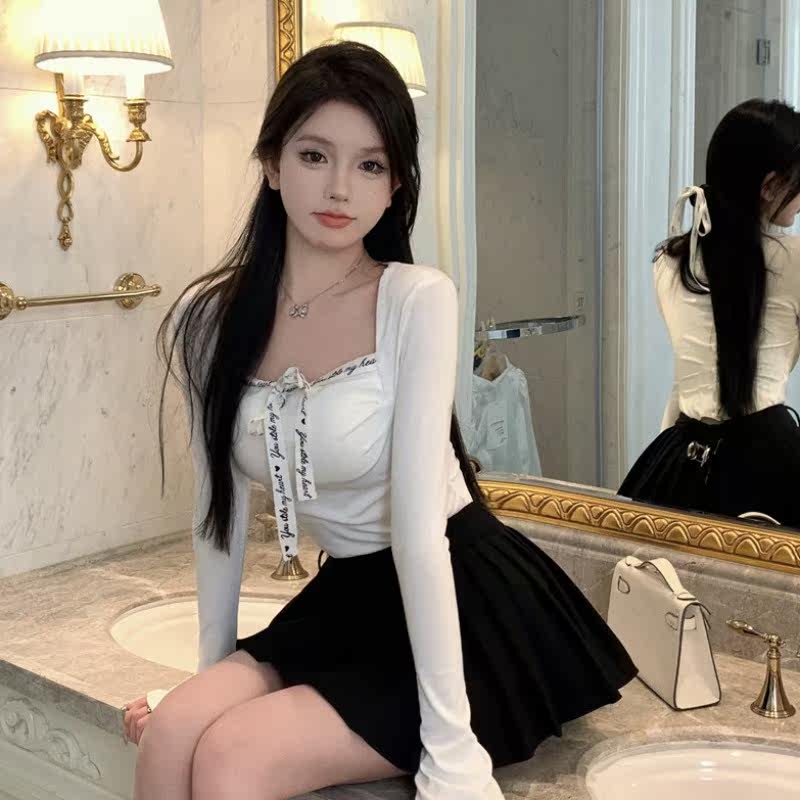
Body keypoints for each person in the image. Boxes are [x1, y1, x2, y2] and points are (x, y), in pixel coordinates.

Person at [123, 41, 637, 800]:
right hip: (348, 598)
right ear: (271, 163)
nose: (340, 187)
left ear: (396, 184)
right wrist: (209, 685)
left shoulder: (416, 299)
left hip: (461, 599)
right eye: (314, 155)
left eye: (370, 165)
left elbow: (422, 535)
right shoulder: (211, 317)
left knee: (233, 758)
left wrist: (450, 747)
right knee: (173, 734)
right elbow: (217, 519)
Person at [620, 98, 800, 525]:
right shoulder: (794, 261)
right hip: (773, 459)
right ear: (770, 186)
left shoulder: (668, 262)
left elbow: (685, 380)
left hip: (680, 454)